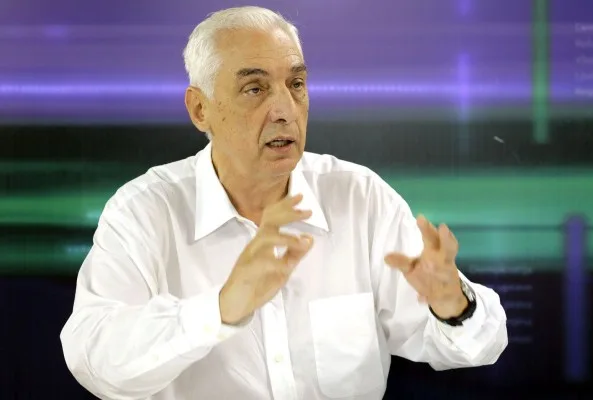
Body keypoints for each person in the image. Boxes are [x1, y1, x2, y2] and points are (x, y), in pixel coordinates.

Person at [60, 6, 508, 400]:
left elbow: (481, 344)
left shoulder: (359, 198)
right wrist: (218, 310)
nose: (286, 110)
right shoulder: (144, 212)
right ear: (200, 110)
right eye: (255, 89)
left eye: (296, 84)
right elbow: (94, 360)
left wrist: (453, 305)